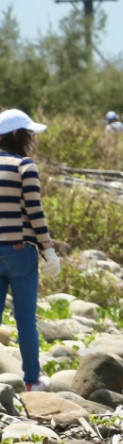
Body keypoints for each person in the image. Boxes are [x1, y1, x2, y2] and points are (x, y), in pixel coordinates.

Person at [0, 110, 61, 392]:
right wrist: (48, 249)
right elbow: (34, 212)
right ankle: (31, 380)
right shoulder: (25, 165)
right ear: (15, 134)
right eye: (29, 132)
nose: (32, 137)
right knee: (26, 321)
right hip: (19, 251)